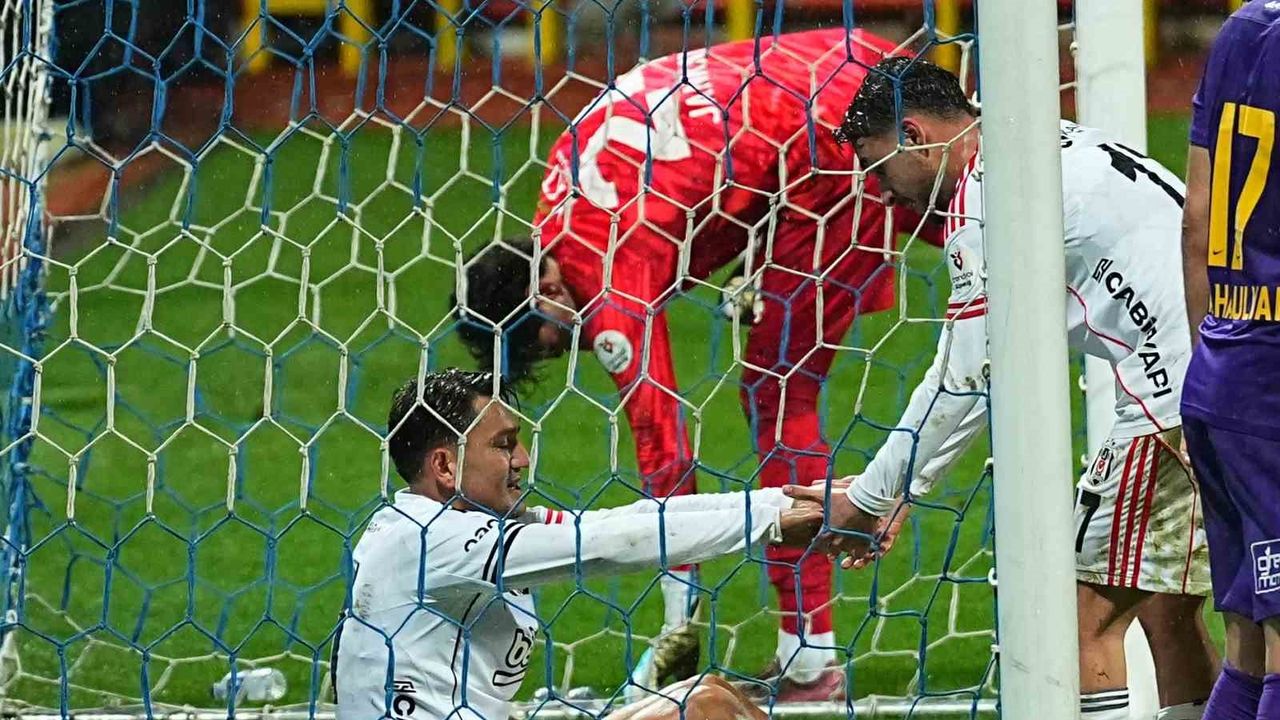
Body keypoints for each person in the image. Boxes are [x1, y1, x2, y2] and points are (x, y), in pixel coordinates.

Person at [454, 28, 952, 701]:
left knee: (780, 392)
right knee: (999, 229)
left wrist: (675, 617)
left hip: (828, 144)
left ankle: (810, 663)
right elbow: (703, 168)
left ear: (543, 290)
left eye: (547, 339)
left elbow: (666, 452)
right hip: (845, 69)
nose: (567, 347)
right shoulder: (562, 196)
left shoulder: (604, 277)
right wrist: (759, 251)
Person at [790, 56, 1220, 720]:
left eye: (878, 168)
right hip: (1227, 374)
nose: (883, 193)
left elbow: (965, 379)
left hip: (1168, 405)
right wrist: (901, 489)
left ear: (915, 135)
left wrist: (872, 496)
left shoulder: (988, 196)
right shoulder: (1040, 137)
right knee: (1164, 603)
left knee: (1074, 620)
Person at [332, 368, 823, 720]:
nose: (523, 458)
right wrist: (773, 526)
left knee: (710, 691)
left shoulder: (463, 525)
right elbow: (608, 546)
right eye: (504, 444)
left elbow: (630, 521)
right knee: (705, 709)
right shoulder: (428, 539)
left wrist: (796, 500)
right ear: (444, 465)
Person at [1180, 3, 1280, 718]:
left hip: (1221, 371)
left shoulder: (1242, 31)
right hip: (1273, 384)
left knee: (1246, 644)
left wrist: (1210, 358)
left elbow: (1196, 220)